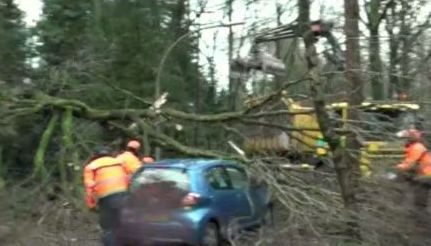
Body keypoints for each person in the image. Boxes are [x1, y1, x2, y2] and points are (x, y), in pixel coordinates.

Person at [83, 147, 128, 246]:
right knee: (122, 225)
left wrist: (91, 205)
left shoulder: (91, 167)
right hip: (124, 196)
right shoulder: (118, 162)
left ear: (94, 156)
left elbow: (89, 187)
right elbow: (128, 177)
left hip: (107, 198)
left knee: (108, 229)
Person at [395, 128, 431, 226]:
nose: (402, 141)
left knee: (420, 202)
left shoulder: (416, 148)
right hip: (423, 176)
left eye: (404, 139)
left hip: (425, 176)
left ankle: (421, 224)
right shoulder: (414, 147)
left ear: (410, 138)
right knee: (419, 199)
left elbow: (409, 164)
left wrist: (396, 169)